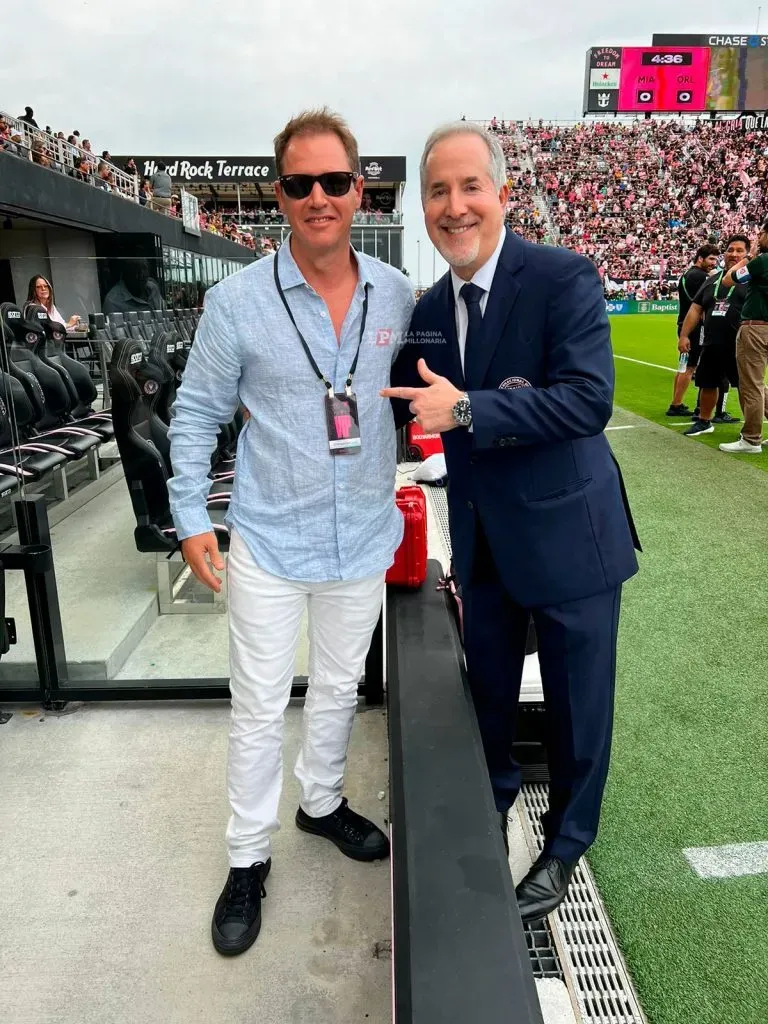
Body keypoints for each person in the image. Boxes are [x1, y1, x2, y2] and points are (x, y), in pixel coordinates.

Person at [167, 107, 414, 957]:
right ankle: (247, 859)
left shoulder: (397, 293)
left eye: (335, 181)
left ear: (359, 190)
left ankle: (319, 804)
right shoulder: (236, 302)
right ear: (280, 193)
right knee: (259, 709)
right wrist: (191, 514)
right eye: (301, 183)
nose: (320, 197)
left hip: (363, 541)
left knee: (340, 691)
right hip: (271, 541)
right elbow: (196, 414)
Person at [382, 122, 640, 923]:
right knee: (488, 694)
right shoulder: (428, 307)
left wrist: (463, 408)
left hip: (573, 542)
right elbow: (386, 385)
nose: (454, 207)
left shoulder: (563, 277)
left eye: (469, 188)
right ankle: (487, 813)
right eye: (437, 191)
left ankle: (566, 845)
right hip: (486, 543)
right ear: (423, 207)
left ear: (501, 195)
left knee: (576, 707)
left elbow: (587, 399)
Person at [680, 235, 750, 438]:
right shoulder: (712, 279)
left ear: (747, 254)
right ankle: (704, 421)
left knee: (748, 389)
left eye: (739, 250)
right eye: (730, 250)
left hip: (741, 344)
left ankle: (750, 430)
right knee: (708, 383)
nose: (733, 254)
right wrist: (684, 335)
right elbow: (695, 309)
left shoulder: (753, 278)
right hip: (711, 342)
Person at [719, 220, 768, 453]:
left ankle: (751, 439)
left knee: (751, 385)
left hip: (756, 327)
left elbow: (729, 279)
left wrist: (749, 257)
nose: (759, 236)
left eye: (762, 233)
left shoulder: (761, 261)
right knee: (759, 385)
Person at [667, 244, 719, 417]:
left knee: (684, 366)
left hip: (684, 325)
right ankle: (676, 404)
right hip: (694, 327)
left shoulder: (687, 274)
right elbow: (706, 302)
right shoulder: (701, 277)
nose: (714, 262)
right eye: (711, 258)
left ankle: (676, 403)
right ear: (700, 258)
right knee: (690, 367)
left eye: (716, 259)